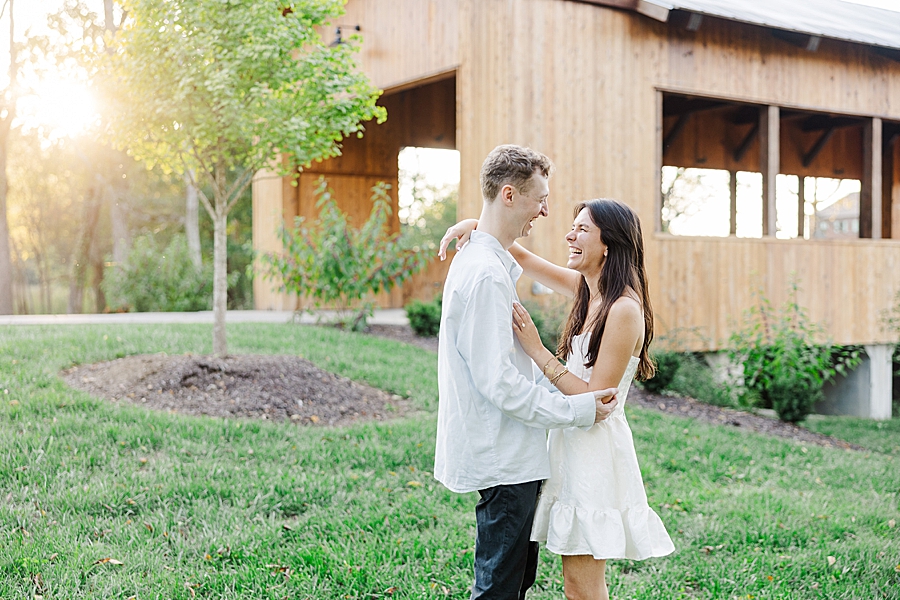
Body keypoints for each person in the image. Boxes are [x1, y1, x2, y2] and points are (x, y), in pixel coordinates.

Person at [439, 198, 675, 600]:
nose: (570, 234)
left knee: (582, 587)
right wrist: (477, 224)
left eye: (582, 229)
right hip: (568, 440)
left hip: (594, 451)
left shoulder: (623, 310)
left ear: (609, 244)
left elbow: (594, 400)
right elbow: (524, 257)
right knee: (574, 584)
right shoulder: (588, 290)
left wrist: (536, 350)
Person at [433, 145, 622, 600]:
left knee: (514, 581)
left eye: (580, 227)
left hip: (522, 453)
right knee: (499, 587)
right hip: (505, 457)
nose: (547, 211)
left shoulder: (493, 263)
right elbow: (498, 382)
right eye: (541, 199)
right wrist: (576, 411)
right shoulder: (484, 274)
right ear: (510, 194)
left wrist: (478, 226)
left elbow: (533, 264)